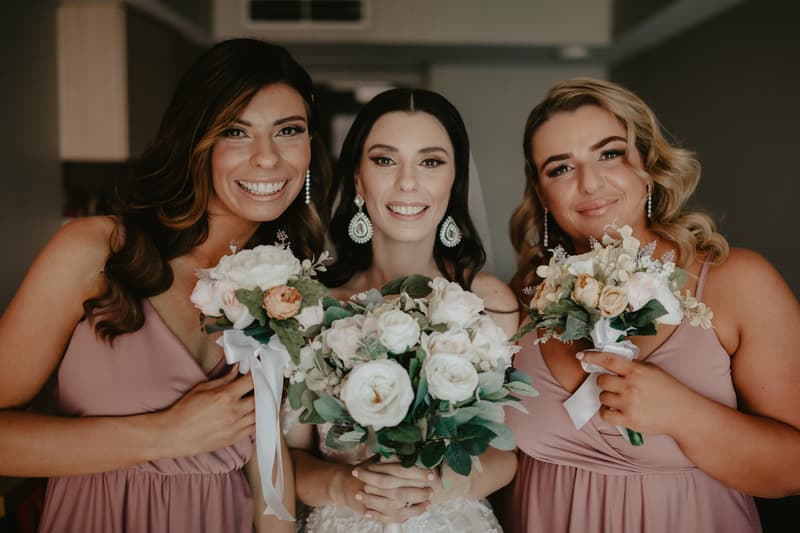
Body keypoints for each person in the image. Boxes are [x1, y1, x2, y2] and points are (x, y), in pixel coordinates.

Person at [0, 38, 331, 532]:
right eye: (237, 132)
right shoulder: (96, 252)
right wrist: (163, 434)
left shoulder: (291, 285)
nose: (267, 159)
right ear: (196, 144)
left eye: (288, 131)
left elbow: (267, 462)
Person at [503, 77, 800, 532]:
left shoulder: (738, 281)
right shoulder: (526, 294)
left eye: (609, 153)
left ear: (648, 164)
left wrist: (684, 413)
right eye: (560, 168)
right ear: (541, 194)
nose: (589, 182)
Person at [285, 88, 519, 532]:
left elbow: (504, 454)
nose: (408, 183)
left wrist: (440, 485)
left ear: (454, 180)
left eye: (430, 162)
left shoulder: (489, 303)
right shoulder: (312, 306)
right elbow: (290, 455)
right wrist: (346, 486)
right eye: (385, 160)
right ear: (358, 179)